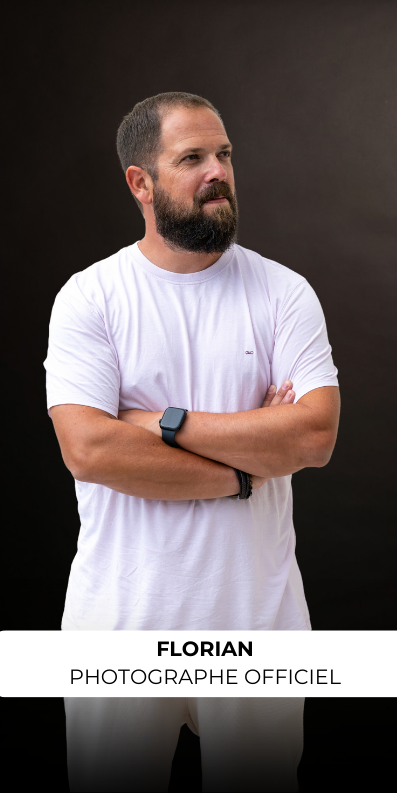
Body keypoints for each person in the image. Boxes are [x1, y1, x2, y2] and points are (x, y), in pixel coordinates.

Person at [44, 92, 340, 792]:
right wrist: (244, 471)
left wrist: (161, 424)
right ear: (139, 183)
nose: (217, 171)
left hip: (255, 626)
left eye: (224, 155)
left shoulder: (283, 293)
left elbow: (314, 433)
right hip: (119, 626)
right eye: (192, 158)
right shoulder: (90, 298)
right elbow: (90, 449)